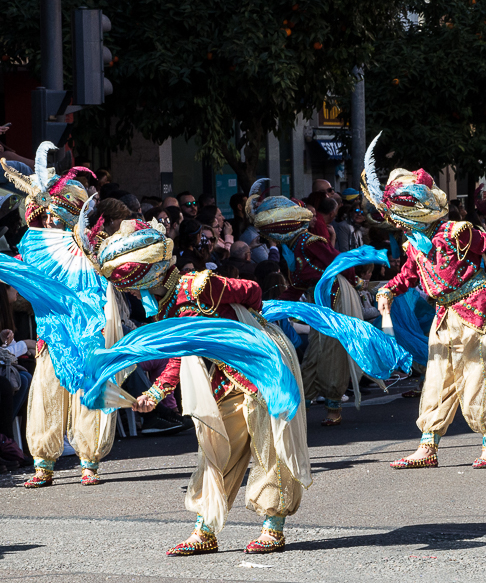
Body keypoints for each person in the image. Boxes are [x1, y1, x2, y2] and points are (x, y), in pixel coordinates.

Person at [93, 219, 309, 555]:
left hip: (260, 364)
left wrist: (241, 327)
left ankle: (273, 527)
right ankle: (205, 530)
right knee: (215, 449)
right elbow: (182, 351)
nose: (133, 293)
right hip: (224, 376)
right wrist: (155, 392)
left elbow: (251, 291)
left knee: (270, 446)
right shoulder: (162, 306)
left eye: (133, 285)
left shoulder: (200, 285)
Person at [370, 165, 486, 470]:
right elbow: (409, 276)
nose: (398, 226)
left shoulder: (457, 232)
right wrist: (387, 290)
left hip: (476, 307)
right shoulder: (413, 245)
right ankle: (428, 446)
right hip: (444, 313)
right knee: (438, 378)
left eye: (399, 219)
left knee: (481, 375)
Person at [1, 143, 118, 487]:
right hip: (51, 332)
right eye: (48, 212)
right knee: (47, 390)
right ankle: (43, 463)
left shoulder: (93, 247)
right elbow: (25, 289)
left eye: (57, 212)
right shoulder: (38, 247)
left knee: (86, 389)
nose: (50, 218)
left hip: (88, 330)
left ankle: (89, 461)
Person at [245, 179, 359, 426]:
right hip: (320, 304)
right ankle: (301, 404)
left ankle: (333, 407)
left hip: (336, 299)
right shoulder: (295, 249)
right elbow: (296, 288)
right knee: (313, 354)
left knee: (330, 352)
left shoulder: (310, 243)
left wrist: (355, 286)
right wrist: (266, 310)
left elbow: (342, 264)